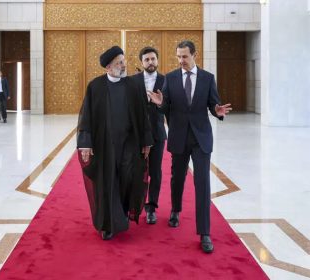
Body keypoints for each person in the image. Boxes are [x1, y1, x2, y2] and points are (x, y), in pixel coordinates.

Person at [148, 40, 232, 253]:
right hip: (178, 136)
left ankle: (204, 232)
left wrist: (217, 110)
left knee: (202, 183)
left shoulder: (207, 78)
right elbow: (166, 105)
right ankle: (176, 210)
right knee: (177, 178)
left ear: (195, 55)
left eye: (184, 56)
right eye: (178, 56)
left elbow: (214, 104)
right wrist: (159, 103)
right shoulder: (171, 78)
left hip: (201, 138)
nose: (181, 60)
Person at [77, 46, 153, 240]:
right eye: (119, 63)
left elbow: (143, 115)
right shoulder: (96, 86)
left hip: (129, 144)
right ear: (108, 67)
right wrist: (85, 144)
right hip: (105, 146)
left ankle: (124, 212)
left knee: (127, 178)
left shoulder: (133, 86)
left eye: (124, 61)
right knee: (108, 181)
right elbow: (86, 116)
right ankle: (109, 224)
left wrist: (146, 142)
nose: (123, 65)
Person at [131, 47, 165, 225]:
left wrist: (160, 104)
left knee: (155, 172)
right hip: (137, 135)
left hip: (158, 134)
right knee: (136, 171)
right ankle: (134, 206)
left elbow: (170, 107)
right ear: (141, 62)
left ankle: (151, 208)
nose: (150, 62)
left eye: (153, 59)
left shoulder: (166, 80)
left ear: (157, 60)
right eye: (147, 60)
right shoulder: (133, 81)